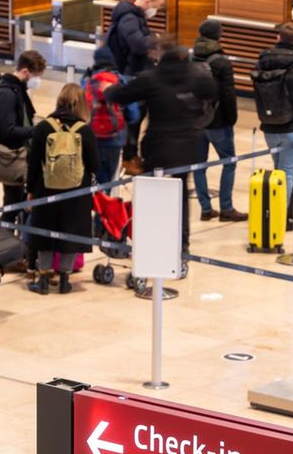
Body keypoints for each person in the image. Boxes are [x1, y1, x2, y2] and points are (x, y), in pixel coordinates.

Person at [106, 37, 217, 264]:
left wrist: (109, 88)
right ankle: (182, 245)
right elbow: (214, 92)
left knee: (151, 194)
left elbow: (119, 95)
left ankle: (151, 242)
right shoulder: (196, 75)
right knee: (181, 195)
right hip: (188, 146)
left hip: (159, 147)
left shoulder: (152, 78)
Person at [26, 84, 100, 295]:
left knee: (44, 231)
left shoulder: (43, 127)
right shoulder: (84, 131)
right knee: (71, 231)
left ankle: (43, 280)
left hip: (46, 188)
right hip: (76, 191)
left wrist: (31, 190)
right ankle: (65, 280)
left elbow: (33, 163)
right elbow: (94, 165)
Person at [0, 50, 47, 270]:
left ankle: (11, 253)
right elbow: (8, 130)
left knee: (15, 205)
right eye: (36, 75)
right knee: (13, 207)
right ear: (25, 71)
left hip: (20, 155)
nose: (37, 80)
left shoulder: (17, 88)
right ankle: (0, 252)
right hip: (11, 158)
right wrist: (37, 130)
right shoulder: (6, 93)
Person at [254, 22, 293, 206]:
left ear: (278, 38)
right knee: (287, 173)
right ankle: (280, 214)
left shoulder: (262, 63)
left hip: (268, 125)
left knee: (277, 170)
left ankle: (276, 210)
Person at [191, 20, 246, 222]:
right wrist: (231, 119)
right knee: (229, 162)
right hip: (218, 121)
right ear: (218, 35)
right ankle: (226, 208)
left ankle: (205, 208)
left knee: (198, 166)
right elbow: (228, 95)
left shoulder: (191, 58)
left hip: (196, 121)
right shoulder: (221, 62)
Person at [81, 46, 129, 185]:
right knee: (108, 180)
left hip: (92, 137)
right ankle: (105, 196)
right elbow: (133, 113)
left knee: (95, 176)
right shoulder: (120, 80)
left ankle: (97, 196)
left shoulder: (87, 80)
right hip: (115, 138)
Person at [106, 0, 163, 78]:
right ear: (147, 2)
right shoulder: (129, 19)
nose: (155, 11)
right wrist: (154, 38)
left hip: (132, 69)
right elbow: (138, 45)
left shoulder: (136, 17)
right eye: (155, 7)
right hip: (127, 72)